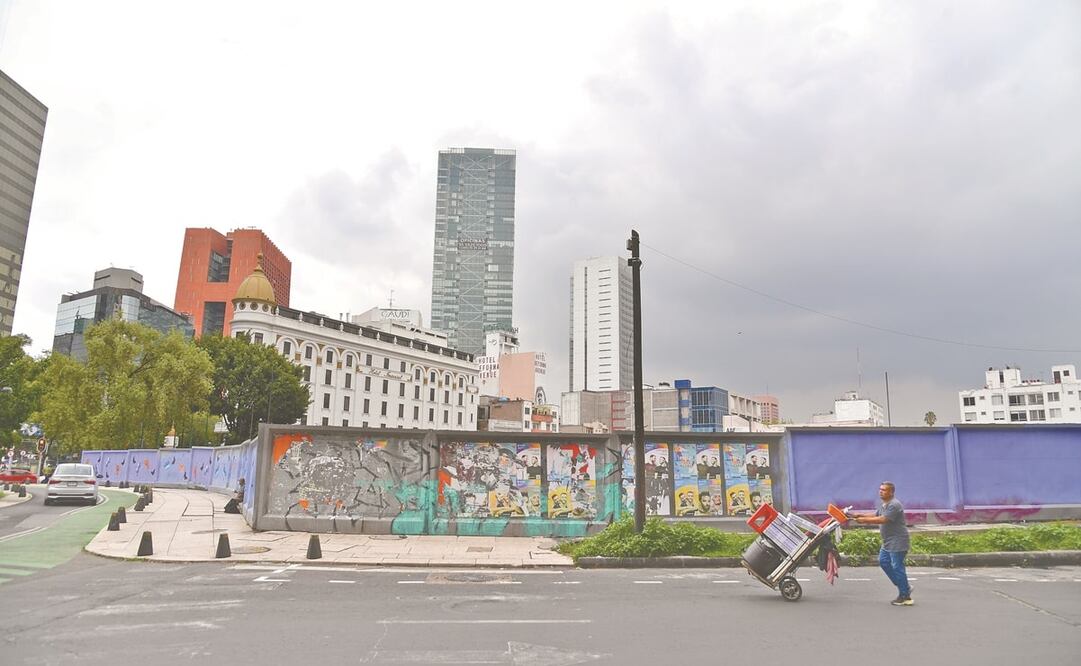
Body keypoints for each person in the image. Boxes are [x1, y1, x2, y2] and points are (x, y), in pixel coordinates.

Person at [852, 481, 912, 606]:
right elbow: (876, 514)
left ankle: (904, 595)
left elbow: (883, 519)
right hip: (888, 542)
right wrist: (860, 515)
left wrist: (863, 521)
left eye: (884, 490)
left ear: (891, 492)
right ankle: (904, 586)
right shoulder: (884, 504)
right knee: (884, 562)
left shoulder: (894, 505)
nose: (880, 491)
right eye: (880, 489)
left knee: (897, 566)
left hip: (898, 541)